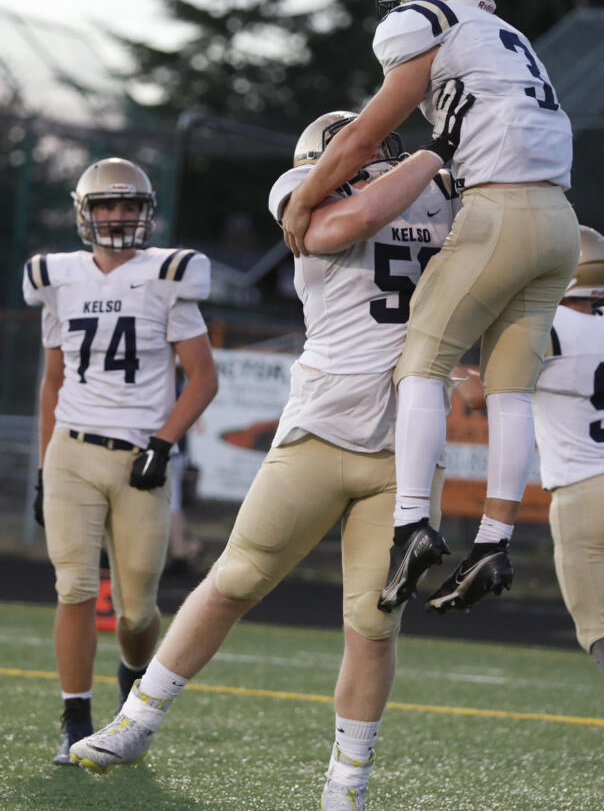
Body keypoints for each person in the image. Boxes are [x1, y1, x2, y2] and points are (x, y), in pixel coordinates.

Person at [69, 103, 462, 809]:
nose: (368, 152)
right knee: (236, 578)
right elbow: (355, 219)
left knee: (375, 624)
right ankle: (137, 720)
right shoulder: (302, 190)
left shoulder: (439, 193)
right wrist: (433, 158)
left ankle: (347, 788)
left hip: (410, 443)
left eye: (374, 142)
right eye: (354, 145)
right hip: (320, 429)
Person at [280, 0, 580, 613]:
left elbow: (362, 134)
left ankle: (412, 525)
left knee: (422, 364)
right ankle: (494, 542)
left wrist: (306, 199)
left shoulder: (431, 21)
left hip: (497, 210)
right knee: (510, 391)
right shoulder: (510, 37)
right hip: (559, 222)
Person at [456, 226, 604, 805]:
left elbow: (481, 397)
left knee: (603, 633)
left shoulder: (547, 330)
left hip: (582, 496)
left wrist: (458, 373)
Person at [22, 157, 218, 765]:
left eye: (127, 205)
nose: (116, 215)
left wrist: (163, 444)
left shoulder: (169, 276)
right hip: (72, 452)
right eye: (105, 205)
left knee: (137, 609)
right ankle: (74, 720)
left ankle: (129, 684)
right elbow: (53, 383)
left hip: (140, 458)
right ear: (85, 213)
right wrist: (42, 465)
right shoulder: (58, 278)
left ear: (145, 211)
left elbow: (203, 379)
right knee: (75, 587)